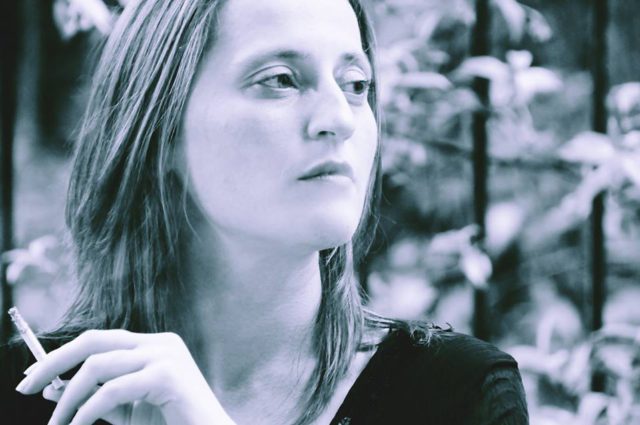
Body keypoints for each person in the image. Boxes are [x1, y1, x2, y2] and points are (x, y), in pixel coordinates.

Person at [0, 0, 529, 424]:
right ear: (162, 132)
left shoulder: (456, 394)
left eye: (356, 84)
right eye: (280, 79)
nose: (339, 118)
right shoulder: (31, 393)